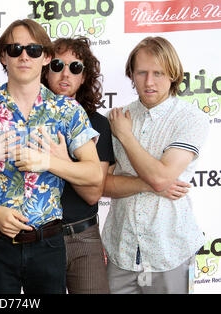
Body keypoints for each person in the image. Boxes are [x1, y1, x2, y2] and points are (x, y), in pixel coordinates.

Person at [0, 19, 101, 294]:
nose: (24, 55)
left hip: (49, 243)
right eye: (15, 48)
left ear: (45, 57)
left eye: (33, 49)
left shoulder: (68, 110)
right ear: (3, 56)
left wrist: (48, 162)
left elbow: (94, 174)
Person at [101, 36, 209, 294]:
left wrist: (125, 136)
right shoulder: (115, 118)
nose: (149, 82)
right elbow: (103, 184)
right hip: (121, 251)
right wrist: (150, 186)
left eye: (158, 73)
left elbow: (161, 177)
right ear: (131, 75)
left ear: (173, 74)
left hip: (170, 252)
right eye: (142, 73)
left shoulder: (191, 118)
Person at [38, 36, 114, 294]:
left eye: (75, 67)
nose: (65, 74)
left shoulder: (98, 124)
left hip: (84, 237)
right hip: (41, 240)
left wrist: (60, 161)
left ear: (85, 77)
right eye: (57, 65)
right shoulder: (29, 119)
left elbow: (93, 194)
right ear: (45, 70)